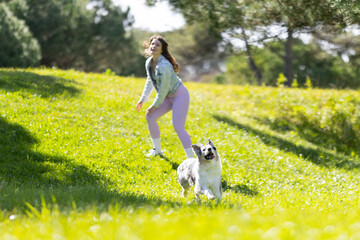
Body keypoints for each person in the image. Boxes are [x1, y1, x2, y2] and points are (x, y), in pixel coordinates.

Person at [136, 36, 194, 159]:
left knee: (178, 126)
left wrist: (153, 106)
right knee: (150, 117)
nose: (154, 46)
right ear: (149, 46)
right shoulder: (149, 62)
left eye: (158, 45)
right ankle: (157, 150)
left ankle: (191, 159)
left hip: (179, 95)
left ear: (162, 50)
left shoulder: (165, 66)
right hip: (167, 97)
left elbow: (163, 90)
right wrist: (143, 99)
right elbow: (150, 81)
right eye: (152, 44)